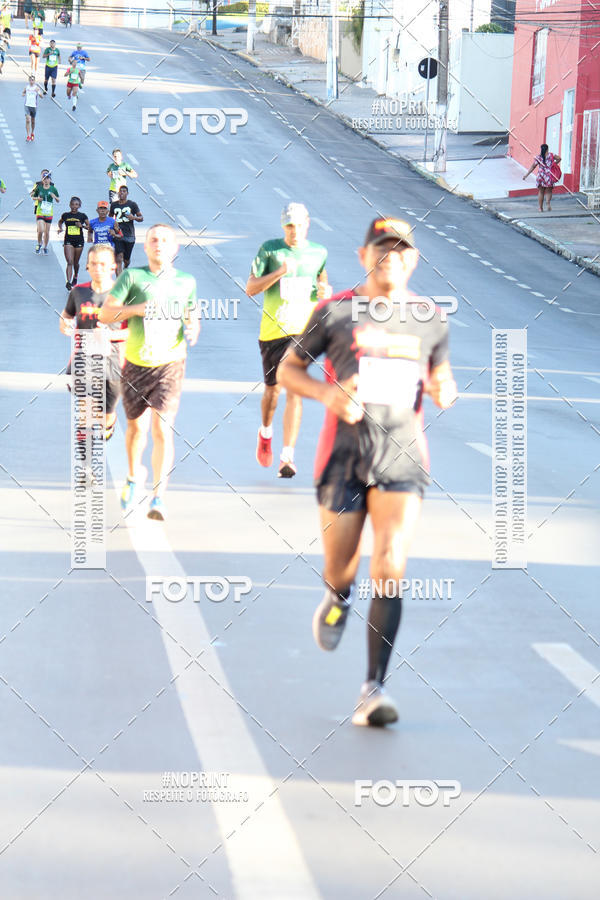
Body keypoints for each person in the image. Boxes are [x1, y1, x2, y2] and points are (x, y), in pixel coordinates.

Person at [278, 217, 458, 727]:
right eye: (381, 249)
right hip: (343, 456)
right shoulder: (334, 311)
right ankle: (336, 597)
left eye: (400, 251)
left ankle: (372, 687)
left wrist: (445, 389)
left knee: (390, 564)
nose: (390, 258)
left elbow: (442, 376)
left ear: (413, 260)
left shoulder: (429, 318)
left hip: (402, 455)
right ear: (363, 256)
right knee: (342, 569)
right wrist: (327, 394)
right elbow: (288, 369)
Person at [98, 224, 200, 521]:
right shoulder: (132, 277)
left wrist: (193, 325)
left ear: (175, 248)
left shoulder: (186, 281)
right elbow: (106, 313)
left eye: (165, 240)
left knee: (162, 429)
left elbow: (191, 312)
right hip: (136, 363)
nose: (159, 244)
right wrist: (135, 309)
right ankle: (133, 476)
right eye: (154, 239)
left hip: (171, 363)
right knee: (136, 430)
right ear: (145, 247)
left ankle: (158, 497)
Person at [245, 202, 331, 478]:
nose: (294, 231)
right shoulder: (270, 250)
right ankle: (265, 432)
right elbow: (250, 288)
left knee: (294, 388)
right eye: (289, 226)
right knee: (272, 391)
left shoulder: (318, 253)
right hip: (273, 332)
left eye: (299, 225)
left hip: (303, 332)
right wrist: (279, 272)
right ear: (283, 226)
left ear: (308, 224)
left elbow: (322, 284)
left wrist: (324, 291)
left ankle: (287, 457)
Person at [60, 243, 126, 442]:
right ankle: (86, 454)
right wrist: (65, 325)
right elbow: (66, 316)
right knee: (86, 407)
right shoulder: (78, 292)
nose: (98, 268)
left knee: (106, 412)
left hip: (113, 361)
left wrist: (110, 336)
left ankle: (108, 423)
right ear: (87, 266)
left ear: (113, 267)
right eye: (94, 264)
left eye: (103, 264)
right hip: (84, 358)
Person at [109, 185, 143, 274]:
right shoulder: (114, 205)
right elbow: (110, 217)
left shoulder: (132, 204)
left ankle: (126, 265)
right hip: (118, 234)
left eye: (124, 191)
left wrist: (134, 217)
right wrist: (112, 227)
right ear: (118, 193)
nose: (122, 193)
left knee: (126, 259)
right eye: (120, 191)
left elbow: (141, 218)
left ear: (127, 193)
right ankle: (119, 280)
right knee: (118, 258)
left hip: (129, 235)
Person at [58, 196, 89, 289]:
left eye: (76, 204)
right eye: (72, 204)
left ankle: (75, 276)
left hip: (79, 241)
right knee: (69, 261)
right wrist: (60, 228)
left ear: (79, 206)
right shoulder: (65, 215)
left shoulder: (82, 216)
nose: (74, 206)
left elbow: (89, 227)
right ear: (70, 205)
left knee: (76, 262)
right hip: (68, 240)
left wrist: (82, 226)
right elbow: (60, 221)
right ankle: (68, 282)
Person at [523, 143, 562, 212]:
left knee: (541, 192)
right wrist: (554, 164)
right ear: (547, 149)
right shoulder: (551, 155)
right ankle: (548, 203)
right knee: (549, 191)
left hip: (541, 176)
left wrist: (526, 175)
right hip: (549, 176)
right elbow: (559, 158)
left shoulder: (538, 157)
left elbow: (533, 166)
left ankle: (540, 208)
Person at [31, 170, 59, 253]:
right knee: (40, 230)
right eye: (44, 177)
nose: (46, 180)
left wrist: (54, 197)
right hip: (39, 208)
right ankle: (39, 243)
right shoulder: (38, 185)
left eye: (47, 178)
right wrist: (37, 198)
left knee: (47, 231)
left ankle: (45, 247)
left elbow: (57, 198)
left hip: (49, 212)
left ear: (50, 178)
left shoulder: (53, 187)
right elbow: (32, 195)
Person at [22, 74, 43, 142]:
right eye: (30, 80)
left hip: (34, 106)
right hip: (27, 105)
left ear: (34, 81)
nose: (31, 81)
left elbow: (41, 96)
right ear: (29, 80)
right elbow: (23, 93)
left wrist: (39, 93)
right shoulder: (26, 87)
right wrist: (23, 94)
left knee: (33, 121)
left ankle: (32, 133)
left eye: (33, 80)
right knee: (28, 120)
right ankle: (28, 136)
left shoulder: (37, 88)